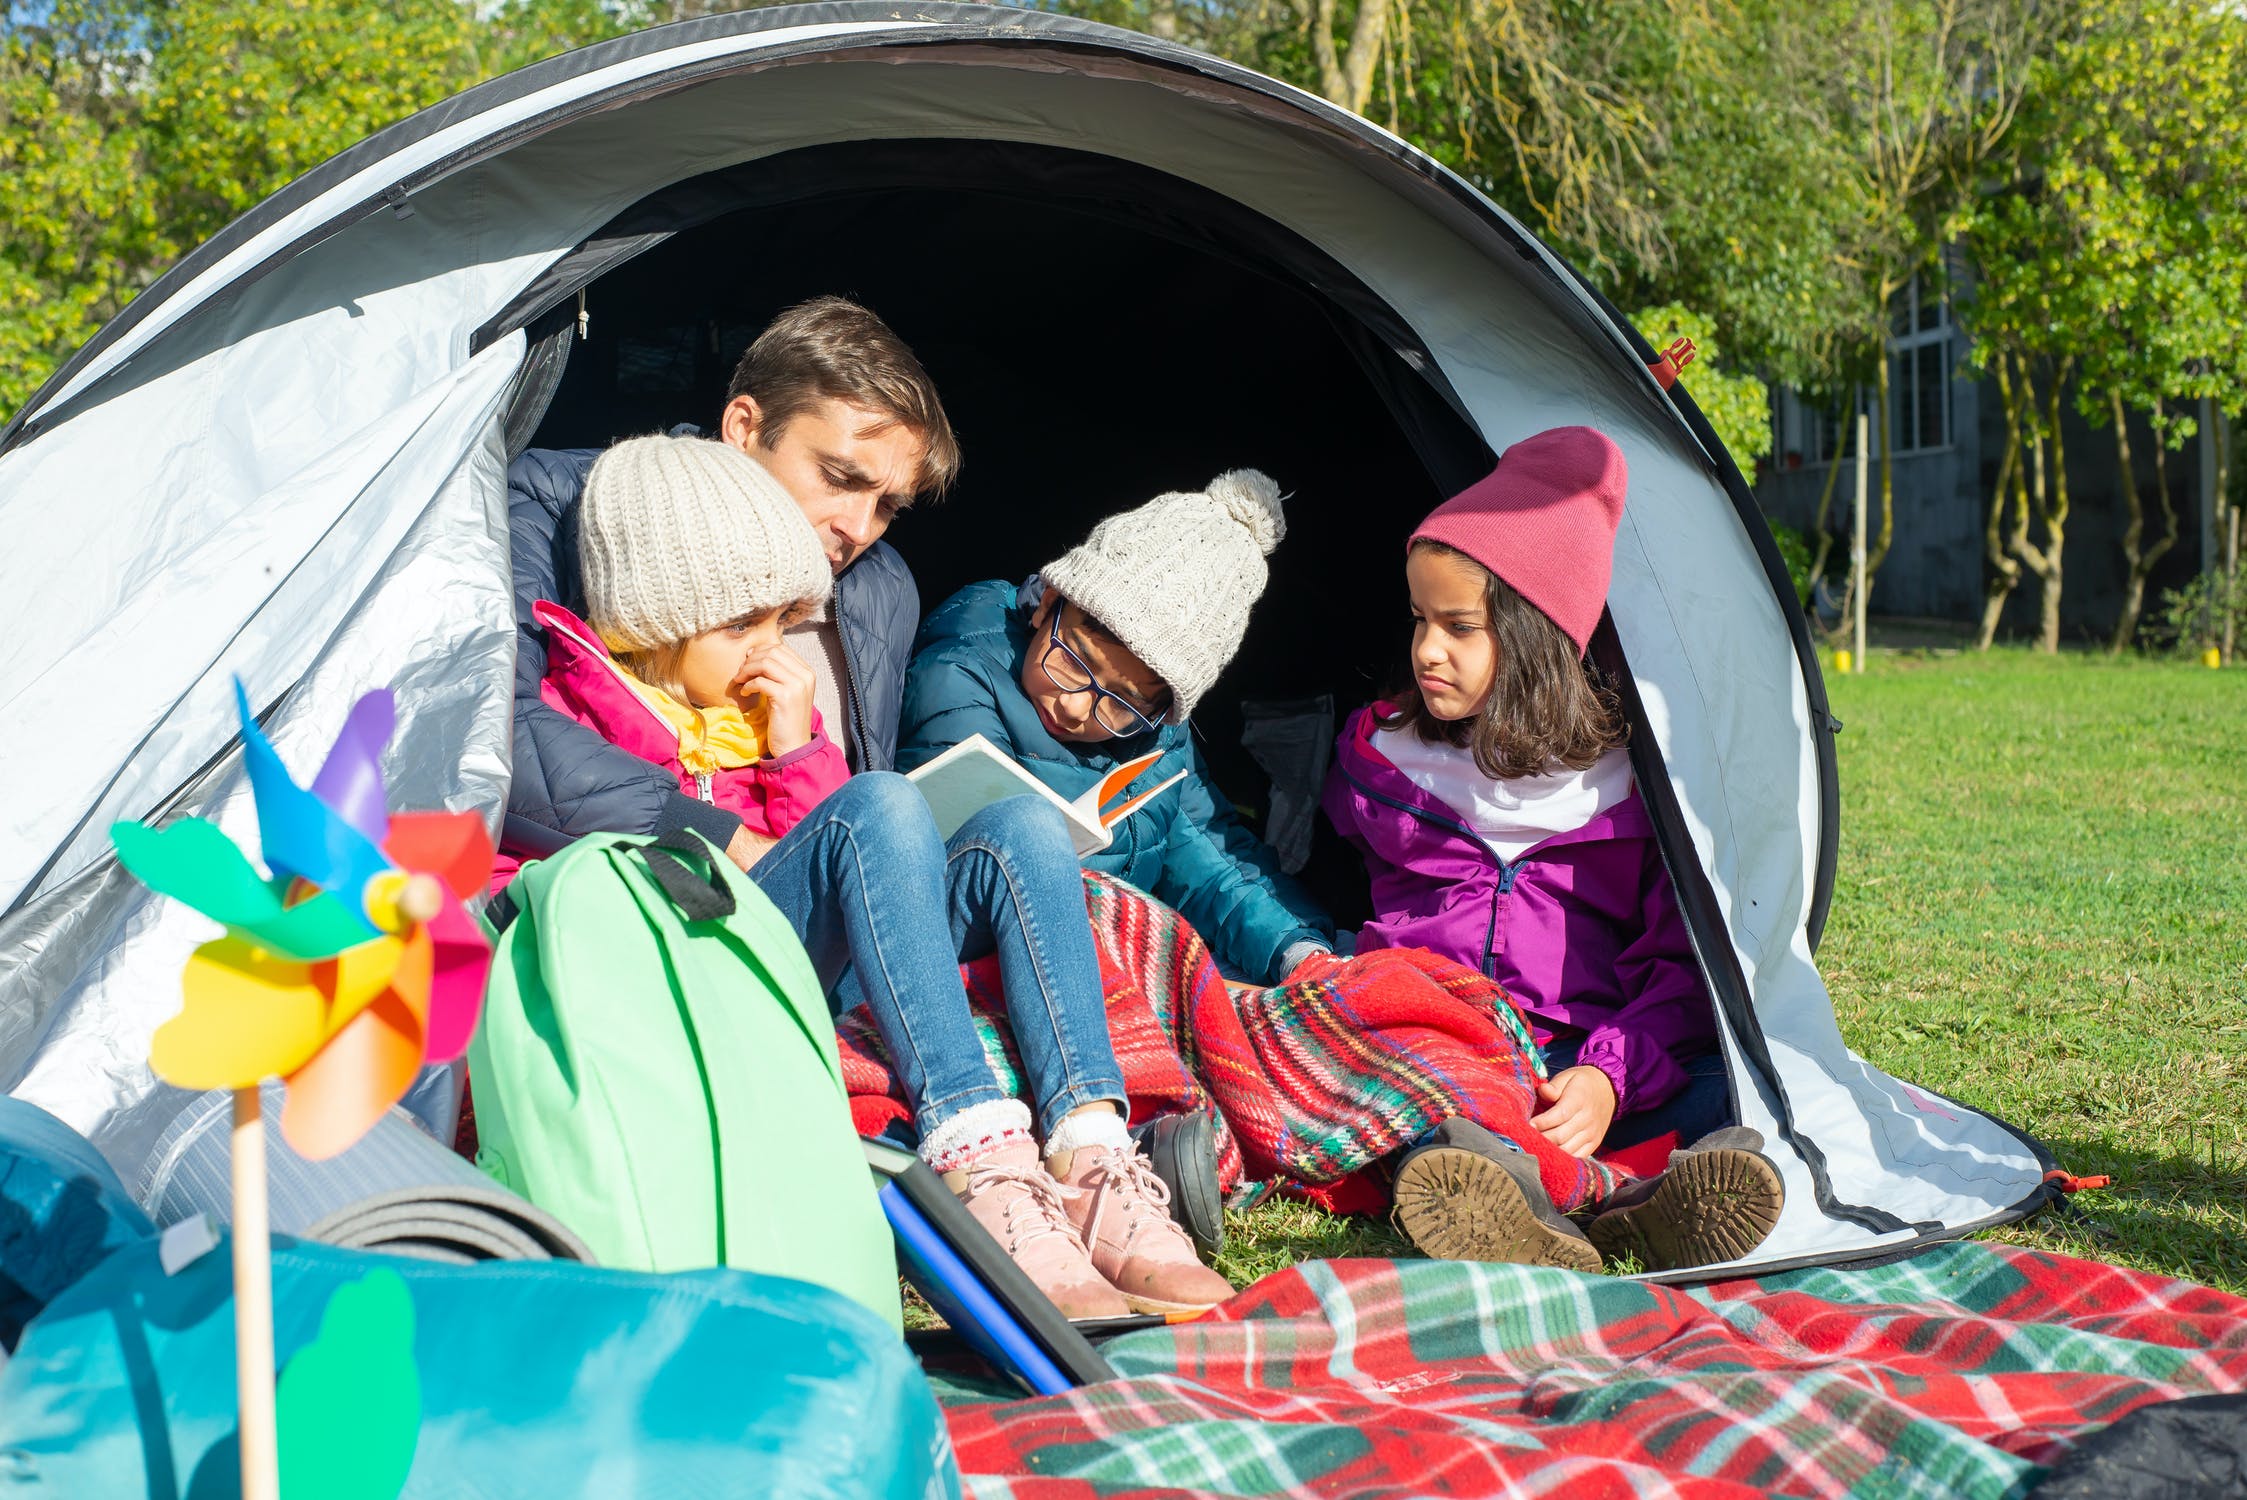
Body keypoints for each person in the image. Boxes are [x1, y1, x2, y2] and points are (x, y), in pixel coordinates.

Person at [538, 433, 1235, 1318]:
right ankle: (977, 1155)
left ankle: (1093, 1154)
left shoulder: (745, 705)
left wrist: (795, 751)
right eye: (740, 624)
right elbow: (601, 870)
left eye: (779, 620)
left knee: (1021, 825)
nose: (768, 647)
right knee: (878, 802)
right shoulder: (590, 707)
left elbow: (821, 847)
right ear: (652, 619)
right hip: (702, 956)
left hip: (798, 945)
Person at [1323, 427, 1783, 1270]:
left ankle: (1587, 1192)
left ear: (1536, 637)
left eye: (1459, 626)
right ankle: (1575, 1197)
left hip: (1576, 1057)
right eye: (1420, 619)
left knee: (1723, 1092)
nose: (1426, 649)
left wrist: (1610, 1075)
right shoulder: (1383, 762)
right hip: (1444, 1049)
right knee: (1431, 1112)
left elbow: (1678, 971)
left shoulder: (1634, 796)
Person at [506, 296, 954, 873]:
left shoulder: (882, 587)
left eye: (889, 505)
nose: (860, 528)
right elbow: (492, 726)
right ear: (744, 428)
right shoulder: (560, 501)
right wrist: (716, 839)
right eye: (839, 477)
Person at [898, 470, 1334, 986]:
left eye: (1121, 702)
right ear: (1049, 604)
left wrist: (1300, 952)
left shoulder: (1157, 738)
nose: (1078, 709)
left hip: (1097, 968)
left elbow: (1210, 858)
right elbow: (970, 868)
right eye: (1072, 664)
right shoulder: (966, 671)